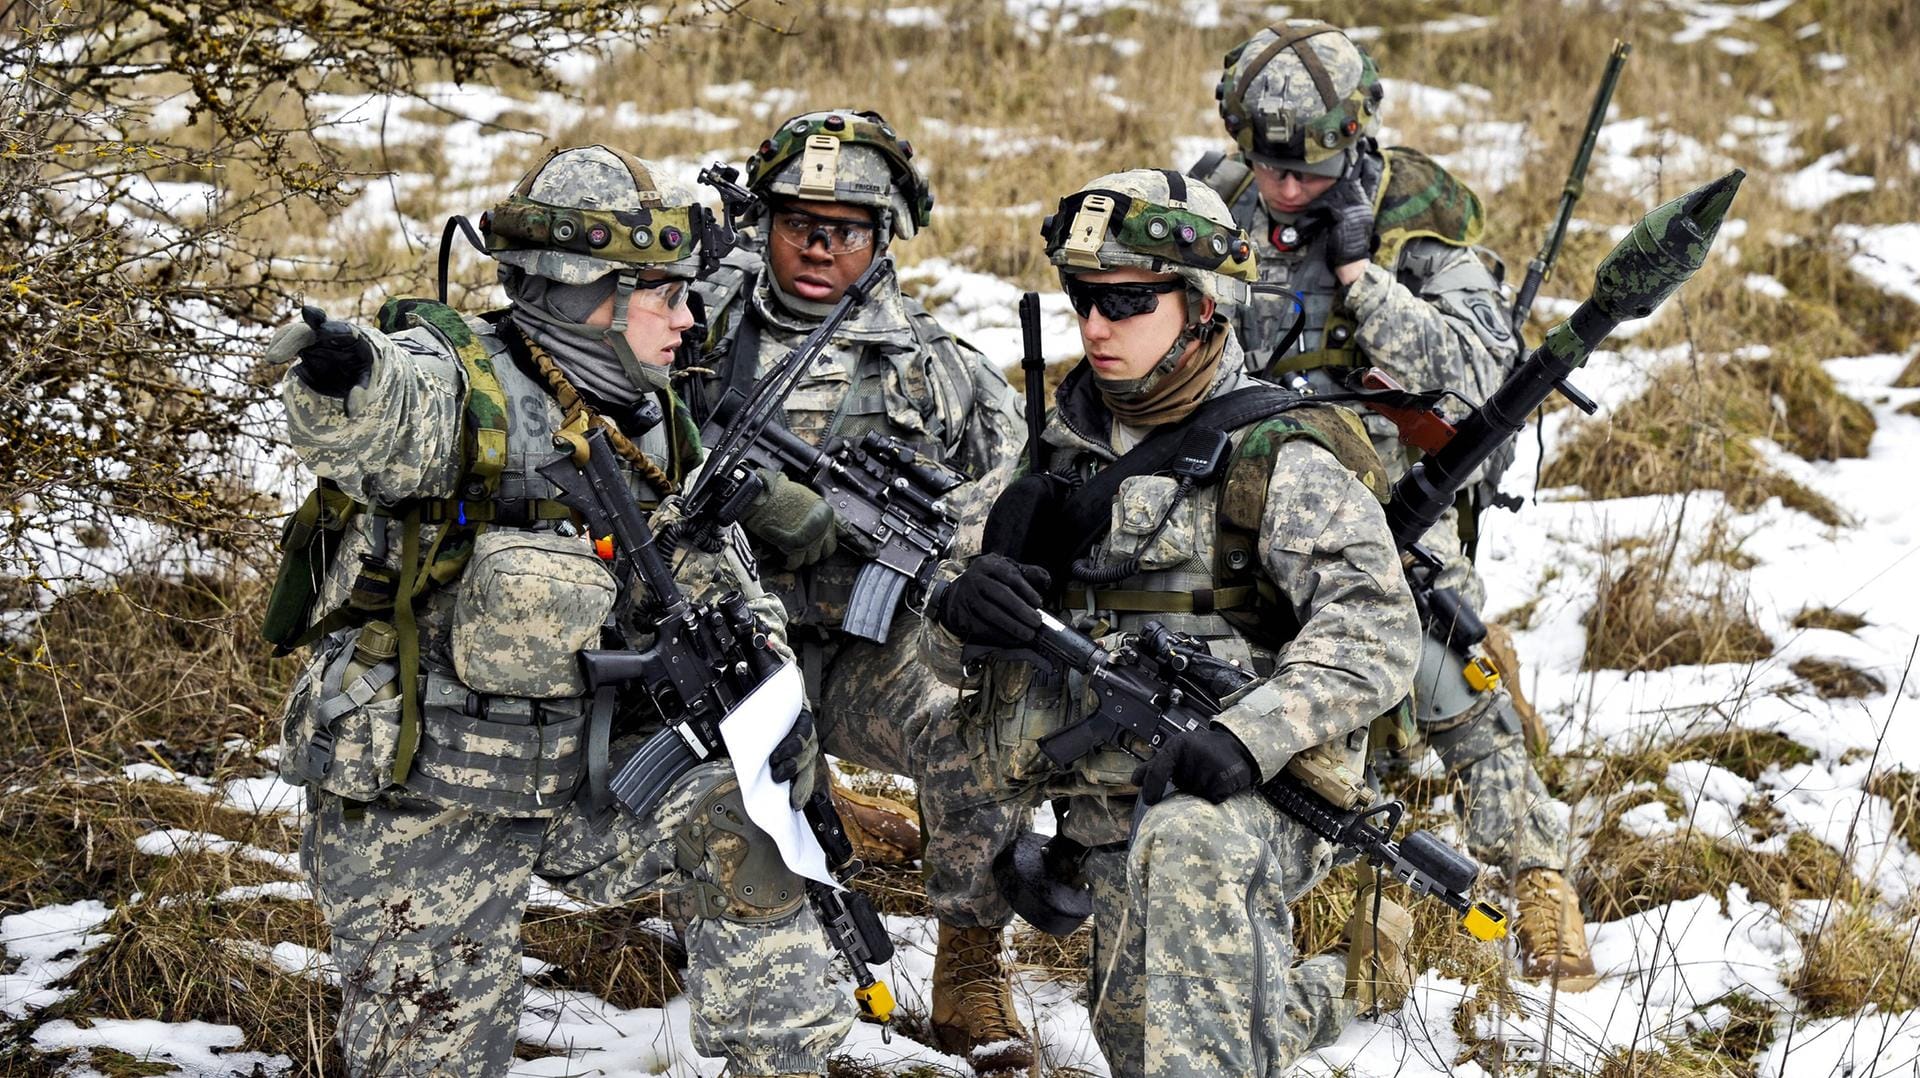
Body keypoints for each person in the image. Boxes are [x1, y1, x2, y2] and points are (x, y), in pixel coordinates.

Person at [263, 145, 850, 1077]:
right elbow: (379, 411)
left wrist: (770, 706)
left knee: (755, 818)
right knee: (431, 1055)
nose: (690, 318)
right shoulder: (464, 383)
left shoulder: (654, 415)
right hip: (428, 790)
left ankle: (786, 1061)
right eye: (666, 294)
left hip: (587, 776)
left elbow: (716, 578)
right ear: (592, 294)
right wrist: (342, 370)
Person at [920, 167, 1423, 1077]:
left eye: (1126, 301)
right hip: (1105, 804)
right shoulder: (1058, 444)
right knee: (1144, 1044)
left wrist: (1248, 732)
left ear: (1201, 305)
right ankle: (1349, 978)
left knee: (1189, 870)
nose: (1096, 328)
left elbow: (1378, 632)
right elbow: (938, 602)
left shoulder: (1279, 456)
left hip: (1245, 795)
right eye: (1082, 300)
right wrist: (960, 608)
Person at [1191, 20, 1594, 987]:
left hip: (1384, 494)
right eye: (1269, 167)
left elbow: (1484, 367)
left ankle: (1538, 875)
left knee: (1444, 657)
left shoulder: (1417, 212)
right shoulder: (1214, 196)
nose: (1286, 191)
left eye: (1310, 170)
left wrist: (1365, 280)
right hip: (1242, 483)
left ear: (1356, 134)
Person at [679, 109, 1037, 1075]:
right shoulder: (693, 327)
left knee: (979, 733)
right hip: (723, 645)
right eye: (798, 222)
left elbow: (1014, 495)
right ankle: (756, 936)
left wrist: (946, 559)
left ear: (883, 238)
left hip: (863, 650)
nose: (818, 246)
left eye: (845, 228)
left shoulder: (933, 366)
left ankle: (968, 957)